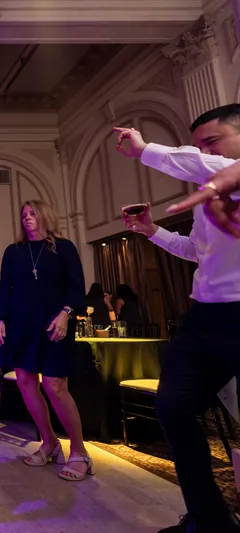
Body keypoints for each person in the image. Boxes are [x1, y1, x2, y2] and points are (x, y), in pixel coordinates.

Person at [114, 104, 240, 532]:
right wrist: (153, 232)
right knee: (172, 406)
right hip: (203, 319)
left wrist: (146, 149)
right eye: (199, 143)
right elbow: (194, 251)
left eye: (212, 141)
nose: (204, 152)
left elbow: (201, 162)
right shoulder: (211, 195)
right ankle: (208, 520)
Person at [0, 200, 90, 481]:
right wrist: (0, 319)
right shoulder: (13, 252)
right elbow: (4, 288)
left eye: (32, 213)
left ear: (46, 215)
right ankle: (49, 443)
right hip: (21, 324)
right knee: (25, 381)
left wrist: (65, 314)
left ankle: (80, 451)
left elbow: (76, 288)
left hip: (53, 324)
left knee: (55, 385)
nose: (27, 218)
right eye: (23, 214)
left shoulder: (64, 248)